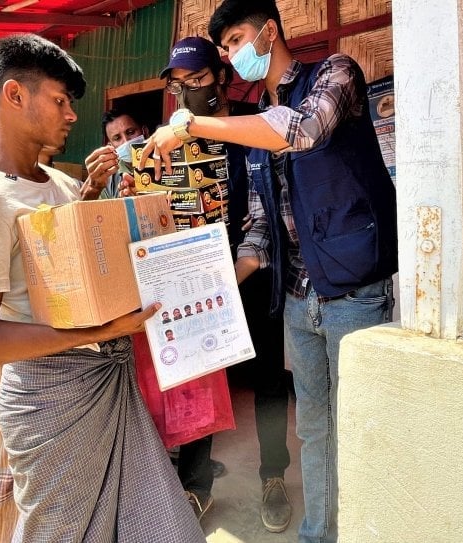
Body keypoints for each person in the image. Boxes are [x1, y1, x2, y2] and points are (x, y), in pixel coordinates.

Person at [141, 3, 399, 541]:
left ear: (269, 31)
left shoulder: (335, 73)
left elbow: (301, 131)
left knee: (362, 426)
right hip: (300, 297)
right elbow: (260, 229)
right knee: (313, 426)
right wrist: (214, 287)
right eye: (228, 49)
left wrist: (190, 126)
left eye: (237, 41)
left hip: (355, 290)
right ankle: (316, 532)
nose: (235, 56)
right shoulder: (257, 114)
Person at [0, 34, 204, 543]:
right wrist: (97, 329)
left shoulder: (60, 184)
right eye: (60, 101)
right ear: (15, 96)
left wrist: (115, 211)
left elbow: (80, 277)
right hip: (48, 403)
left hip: (104, 381)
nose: (72, 115)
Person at [158, 35, 292, 533]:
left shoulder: (248, 126)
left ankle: (273, 475)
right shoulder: (173, 138)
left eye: (199, 80)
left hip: (256, 271)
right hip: (198, 280)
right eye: (181, 84)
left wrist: (245, 266)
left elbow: (273, 204)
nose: (190, 91)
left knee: (269, 381)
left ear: (222, 77)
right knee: (200, 379)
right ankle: (197, 487)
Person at [83, 108, 150, 199]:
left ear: (145, 131)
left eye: (130, 132)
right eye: (117, 138)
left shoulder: (167, 161)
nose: (126, 141)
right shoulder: (107, 179)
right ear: (111, 146)